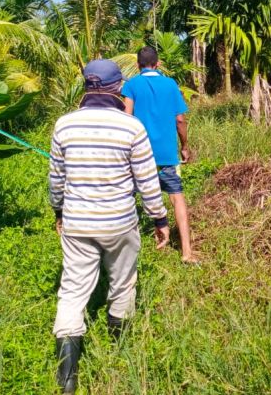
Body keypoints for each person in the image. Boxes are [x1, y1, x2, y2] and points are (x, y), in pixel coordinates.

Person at [48, 59, 170, 394]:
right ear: (118, 87)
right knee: (122, 283)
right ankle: (120, 352)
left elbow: (56, 179)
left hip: (77, 222)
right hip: (119, 223)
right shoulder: (131, 127)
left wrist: (58, 211)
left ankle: (67, 378)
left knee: (72, 292)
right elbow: (147, 181)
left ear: (87, 85)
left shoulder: (64, 125)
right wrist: (159, 218)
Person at [122, 46, 197, 263]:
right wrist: (184, 146)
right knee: (177, 198)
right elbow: (180, 120)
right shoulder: (170, 84)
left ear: (138, 65)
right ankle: (186, 252)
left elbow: (127, 117)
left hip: (139, 154)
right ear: (158, 63)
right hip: (166, 154)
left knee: (130, 197)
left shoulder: (132, 85)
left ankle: (130, 253)